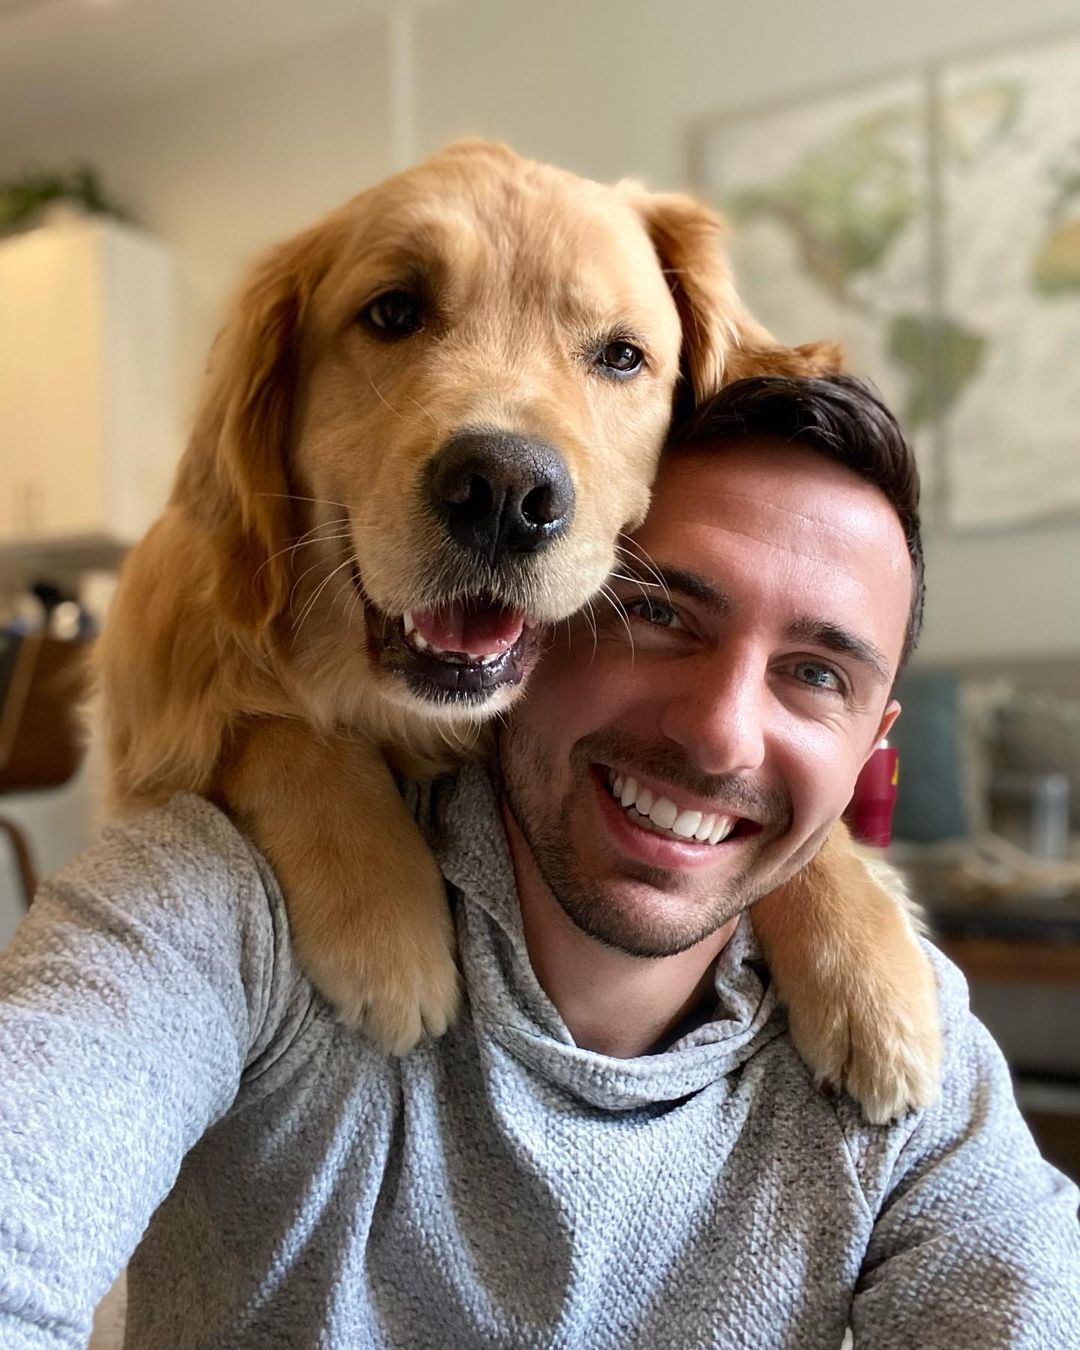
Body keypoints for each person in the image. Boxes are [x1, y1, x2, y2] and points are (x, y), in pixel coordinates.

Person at [1, 375, 1077, 1349]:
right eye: (658, 613)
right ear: (531, 615)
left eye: (814, 673)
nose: (721, 737)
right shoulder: (229, 906)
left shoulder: (912, 1032)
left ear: (871, 745)